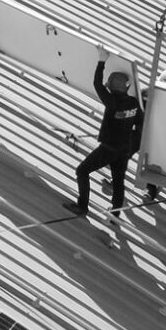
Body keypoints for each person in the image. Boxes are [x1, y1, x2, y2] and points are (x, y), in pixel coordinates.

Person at [65, 54, 145, 219]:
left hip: (109, 148)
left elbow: (97, 84)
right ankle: (115, 216)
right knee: (118, 182)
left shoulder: (112, 102)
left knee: (82, 171)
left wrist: (102, 60)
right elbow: (140, 124)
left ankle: (82, 206)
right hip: (124, 150)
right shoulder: (134, 104)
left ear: (113, 88)